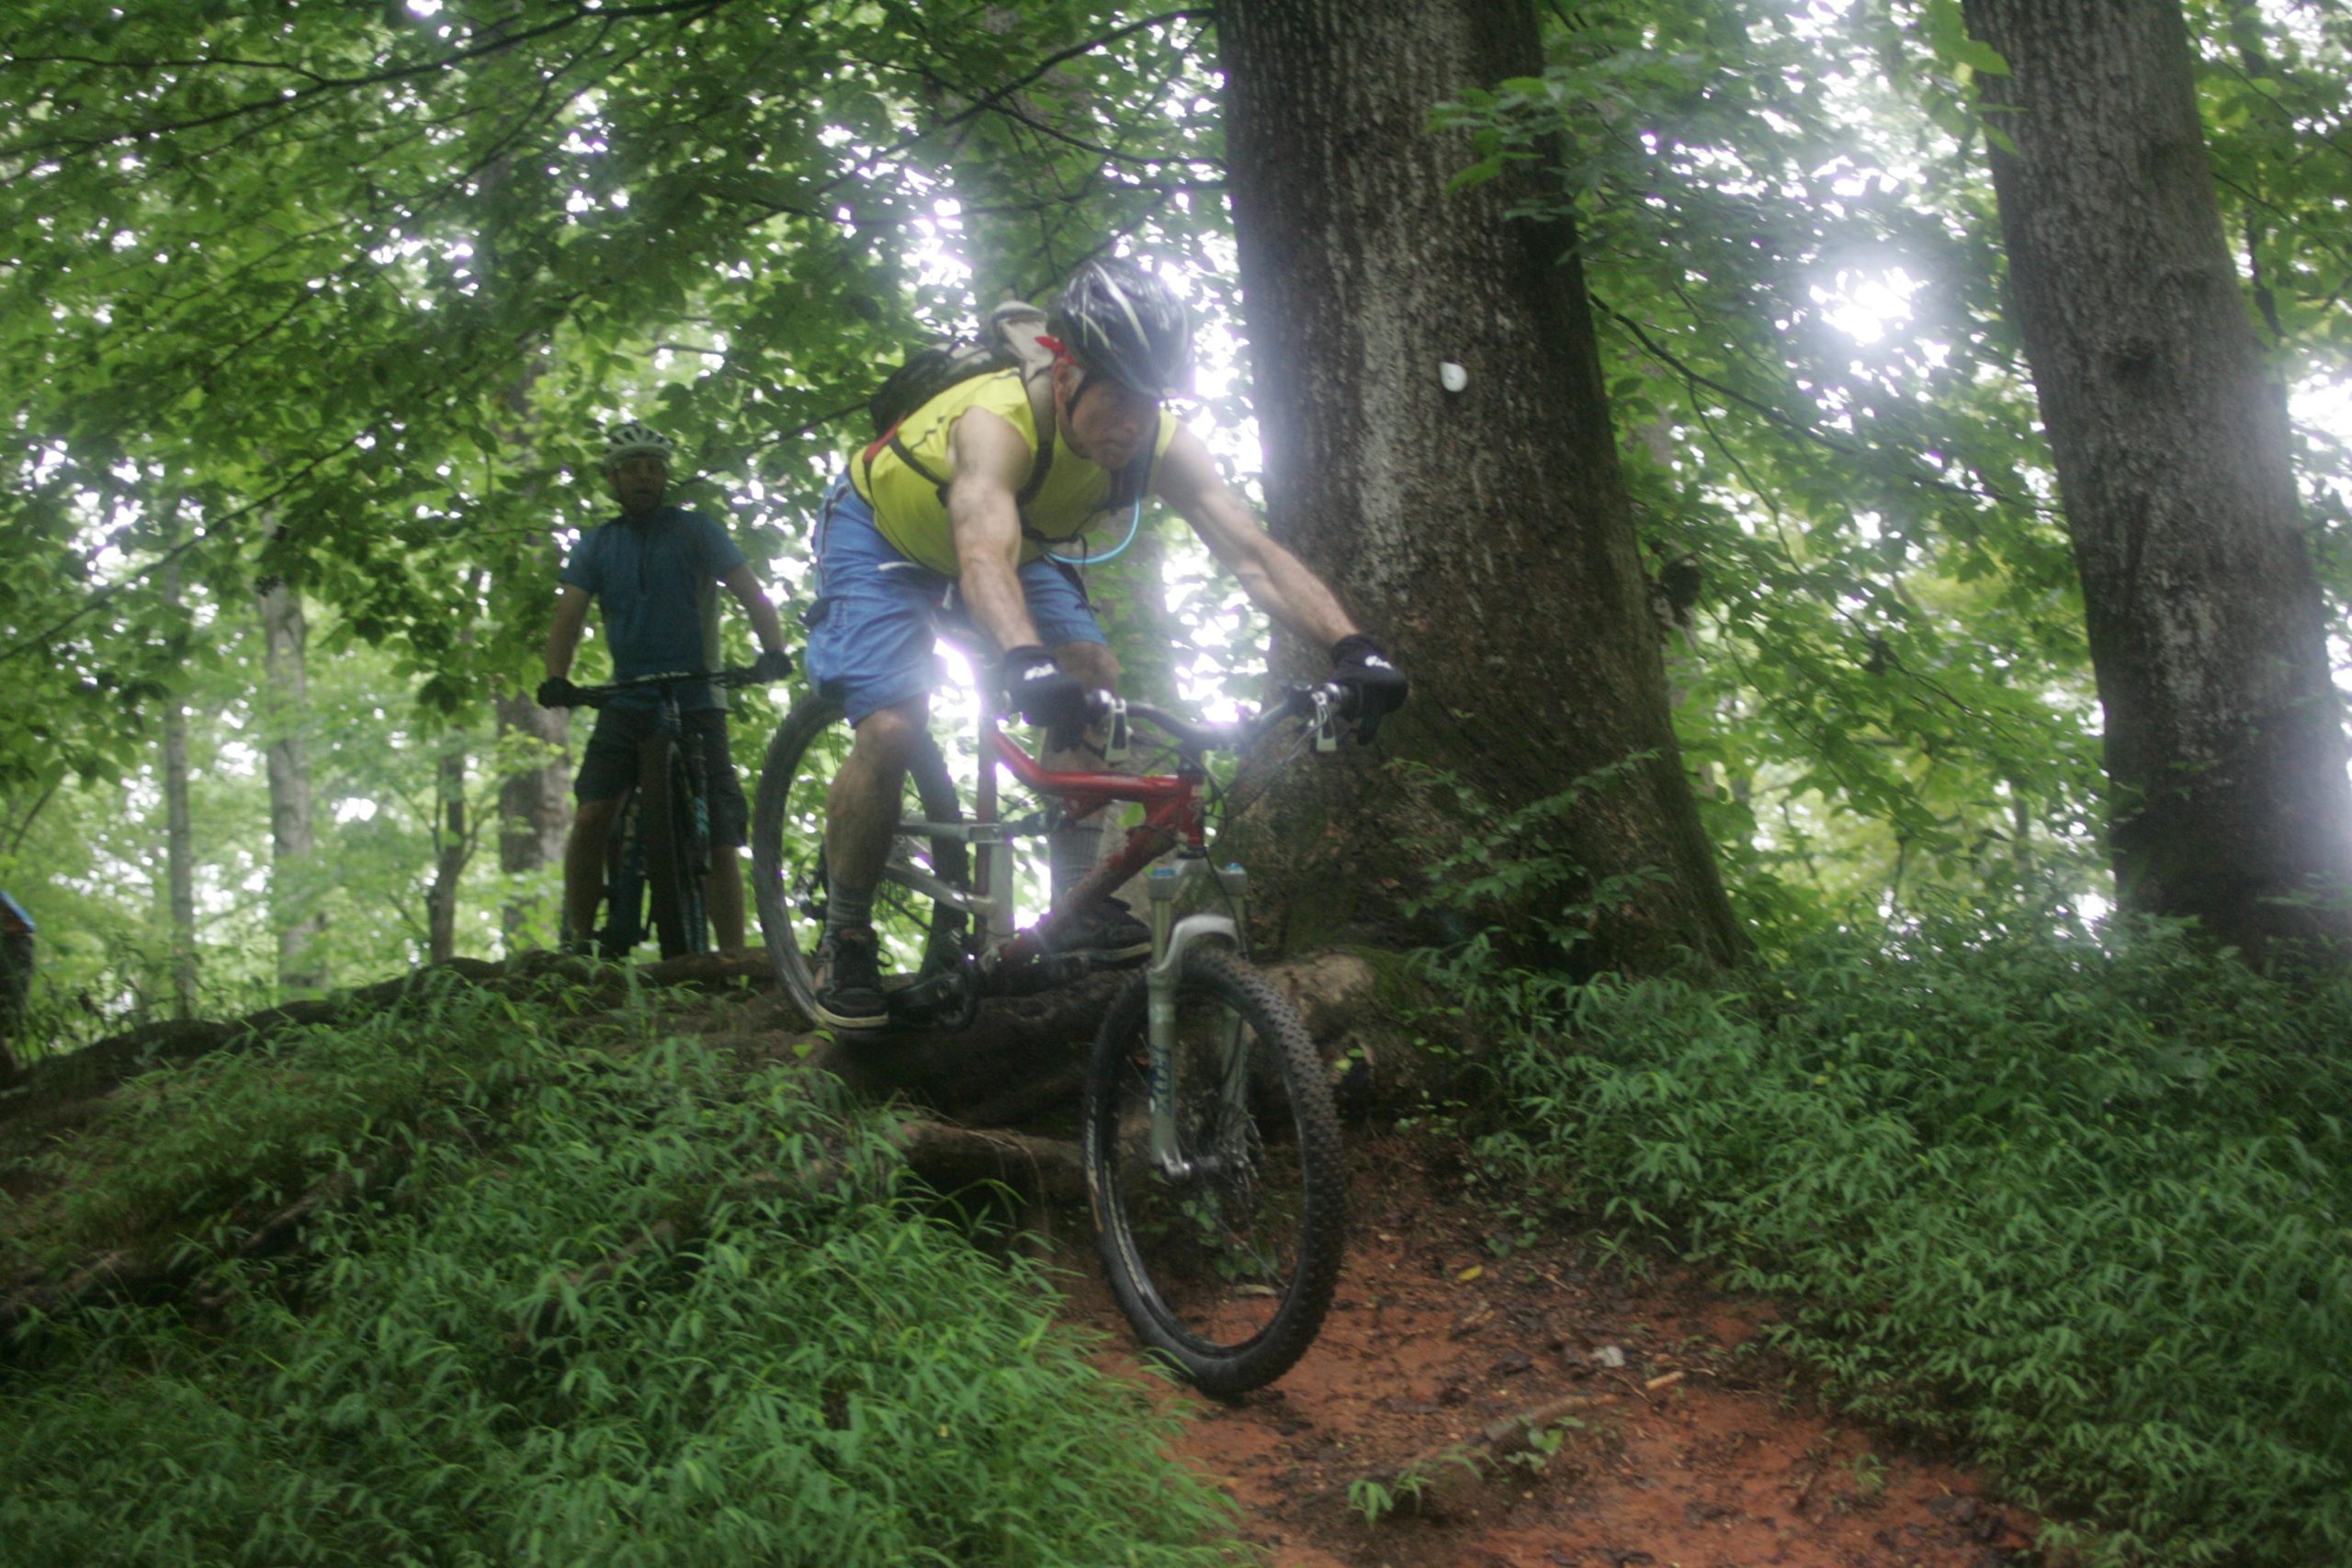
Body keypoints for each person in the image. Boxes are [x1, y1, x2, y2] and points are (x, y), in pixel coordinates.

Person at [801, 257, 1408, 1031]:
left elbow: (1251, 551)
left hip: (1016, 543)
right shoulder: (996, 423)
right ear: (1065, 374)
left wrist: (1353, 647)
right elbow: (980, 552)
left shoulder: (1156, 439)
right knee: (891, 724)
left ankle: (1077, 908)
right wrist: (1023, 659)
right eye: (1114, 394)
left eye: (1147, 398)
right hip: (884, 535)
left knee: (1092, 674)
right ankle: (845, 930)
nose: (1131, 419)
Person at [538, 421, 793, 953]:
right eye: (631, 469)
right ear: (612, 479)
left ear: (665, 477)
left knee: (721, 835)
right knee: (590, 818)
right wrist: (556, 679)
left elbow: (750, 591)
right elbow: (568, 616)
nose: (643, 477)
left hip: (699, 698)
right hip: (628, 698)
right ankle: (578, 945)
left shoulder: (697, 530)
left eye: (652, 468)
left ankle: (732, 956)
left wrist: (772, 652)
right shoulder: (597, 545)